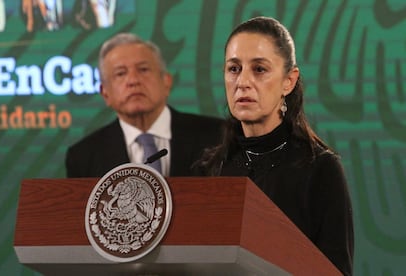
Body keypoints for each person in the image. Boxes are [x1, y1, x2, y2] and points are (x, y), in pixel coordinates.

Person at [193, 16, 354, 275]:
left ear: (288, 81)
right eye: (234, 69)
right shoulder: (212, 167)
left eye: (259, 69)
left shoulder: (320, 168)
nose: (242, 82)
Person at [66, 32, 223, 178]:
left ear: (166, 82)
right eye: (120, 73)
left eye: (143, 69)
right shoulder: (83, 157)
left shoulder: (219, 136)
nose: (133, 80)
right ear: (105, 93)